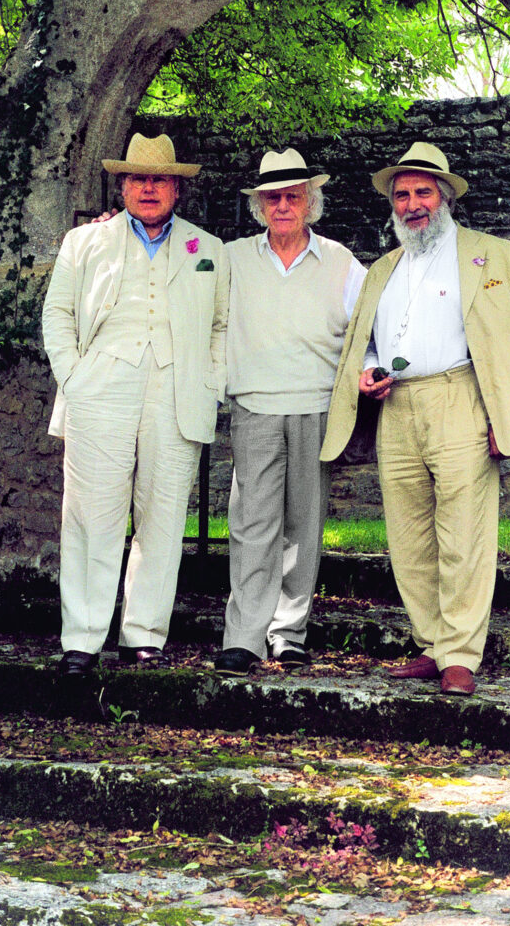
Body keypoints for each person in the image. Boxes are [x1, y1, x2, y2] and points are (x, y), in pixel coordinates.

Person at [320, 142, 510, 695]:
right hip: (398, 407)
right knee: (408, 534)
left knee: (464, 532)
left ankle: (461, 656)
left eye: (423, 191)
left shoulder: (494, 254)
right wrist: (370, 369)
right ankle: (431, 644)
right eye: (402, 194)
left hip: (463, 398)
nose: (412, 203)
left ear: (445, 197)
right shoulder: (382, 268)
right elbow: (366, 341)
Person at [42, 133, 229, 674]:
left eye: (159, 179)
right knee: (90, 514)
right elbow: (57, 316)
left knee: (163, 515)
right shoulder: (84, 242)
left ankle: (143, 633)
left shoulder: (207, 249)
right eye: (138, 178)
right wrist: (75, 379)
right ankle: (82, 638)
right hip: (100, 386)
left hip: (177, 391)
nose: (149, 187)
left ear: (177, 188)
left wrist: (209, 383)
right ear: (123, 185)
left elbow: (219, 327)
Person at [213, 148, 367, 677]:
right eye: (272, 197)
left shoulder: (343, 262)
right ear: (259, 205)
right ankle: (245, 637)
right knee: (251, 523)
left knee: (304, 525)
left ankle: (289, 633)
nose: (282, 205)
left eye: (292, 196)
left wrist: (368, 373)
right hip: (255, 405)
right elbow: (178, 263)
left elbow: (370, 328)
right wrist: (106, 226)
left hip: (316, 406)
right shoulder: (229, 257)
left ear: (310, 202)